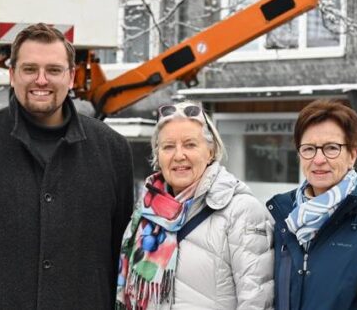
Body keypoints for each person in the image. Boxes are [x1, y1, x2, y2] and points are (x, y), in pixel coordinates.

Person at [0, 23, 134, 309]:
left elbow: (122, 257)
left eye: (54, 70)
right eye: (30, 69)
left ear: (71, 77)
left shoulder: (113, 150)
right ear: (12, 75)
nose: (41, 80)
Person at [116, 102, 274, 310]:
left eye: (190, 145)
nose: (179, 155)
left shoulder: (241, 212)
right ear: (158, 156)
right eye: (168, 146)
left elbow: (256, 302)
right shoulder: (144, 213)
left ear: (211, 151)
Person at [267, 99, 357, 310]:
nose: (318, 159)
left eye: (331, 148)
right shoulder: (285, 220)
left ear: (352, 155)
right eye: (309, 149)